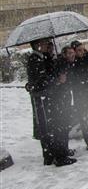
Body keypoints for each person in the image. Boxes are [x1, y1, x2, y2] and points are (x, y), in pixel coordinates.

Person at [26, 38, 77, 167]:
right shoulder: (35, 60)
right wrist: (57, 81)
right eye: (45, 44)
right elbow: (40, 82)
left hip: (49, 97)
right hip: (44, 99)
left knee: (53, 126)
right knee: (49, 127)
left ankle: (54, 154)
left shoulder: (43, 58)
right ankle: (54, 156)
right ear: (38, 45)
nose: (48, 46)